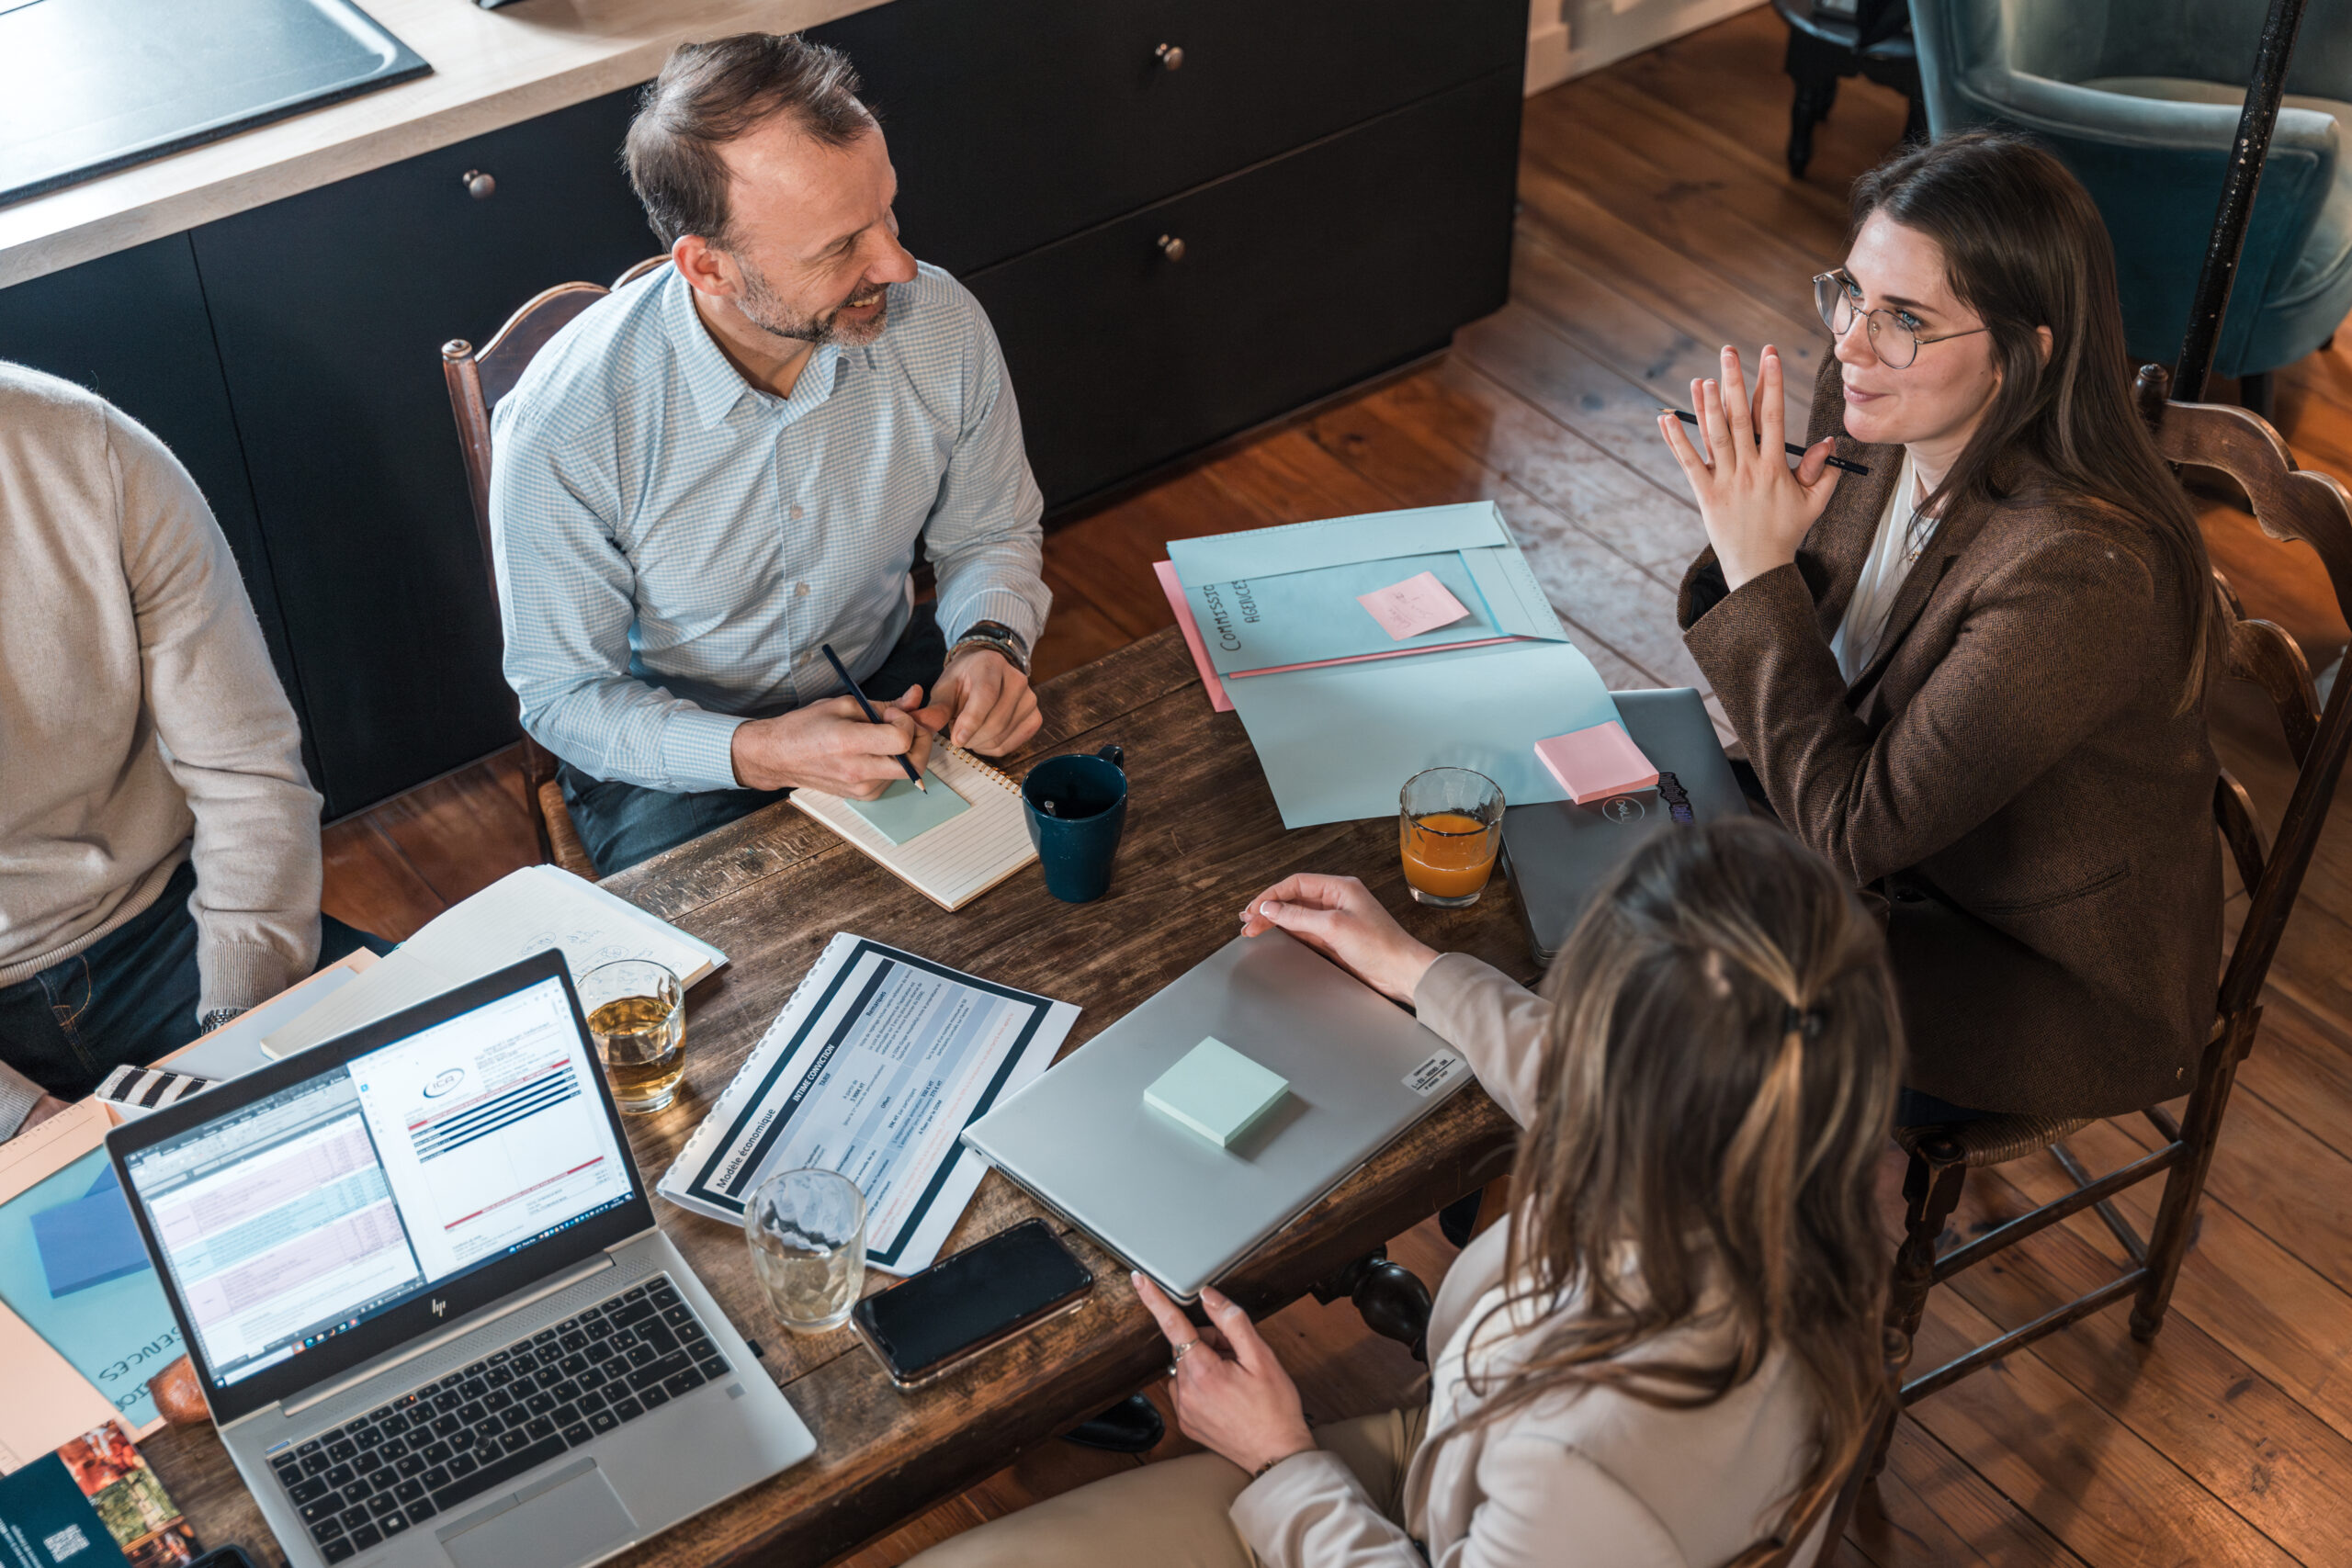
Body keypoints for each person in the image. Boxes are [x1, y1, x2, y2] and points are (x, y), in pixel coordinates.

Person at [909, 818, 1900, 1568]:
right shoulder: (1798, 1180)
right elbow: (1585, 1073)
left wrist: (1279, 1461)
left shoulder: (1596, 1452)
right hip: (1456, 1467)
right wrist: (1414, 968)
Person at [1655, 131, 2222, 1123]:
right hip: (1897, 842)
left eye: (1905, 319)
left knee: (1671, 1005)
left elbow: (1849, 832)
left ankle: (1756, 1238)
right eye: (1851, 297)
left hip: (2029, 968)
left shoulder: (2078, 573)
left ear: (2022, 353)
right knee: (1598, 846)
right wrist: (1762, 550)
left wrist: (1758, 573)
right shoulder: (1881, 402)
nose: (1851, 345)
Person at [491, 33, 1052, 875]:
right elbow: (567, 697)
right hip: (677, 754)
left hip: (891, 682)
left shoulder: (942, 324)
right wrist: (758, 751)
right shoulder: (564, 423)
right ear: (708, 268)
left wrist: (989, 643)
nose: (898, 266)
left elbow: (989, 533)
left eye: (888, 212)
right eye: (839, 249)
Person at [0, 363, 376, 1139]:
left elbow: (248, 769)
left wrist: (239, 1029)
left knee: (485, 1092)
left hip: (172, 925)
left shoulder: (87, 449)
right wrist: (24, 1121)